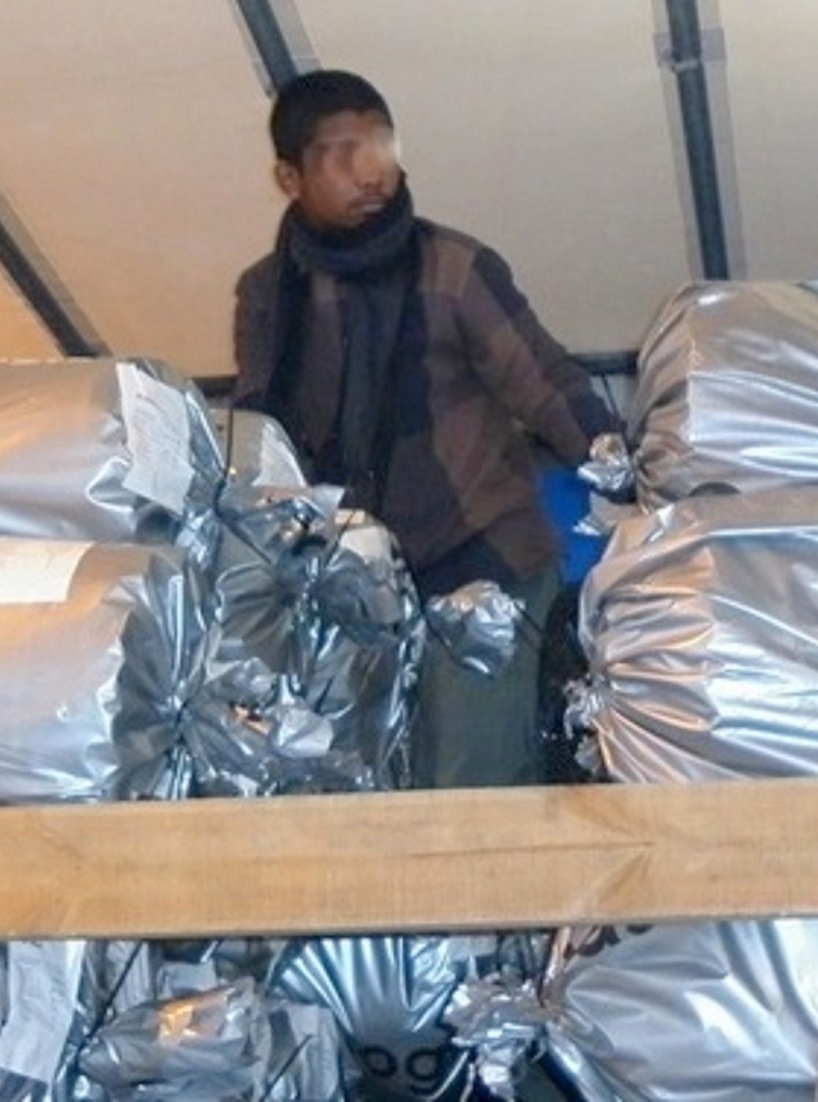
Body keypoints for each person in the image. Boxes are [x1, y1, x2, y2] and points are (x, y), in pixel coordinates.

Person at [233, 69, 616, 788]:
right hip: (355, 584)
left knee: (468, 784)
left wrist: (620, 464)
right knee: (361, 783)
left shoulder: (454, 269)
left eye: (381, 144)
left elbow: (544, 382)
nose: (371, 171)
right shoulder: (269, 294)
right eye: (341, 154)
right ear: (289, 178)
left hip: (482, 562)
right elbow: (263, 442)